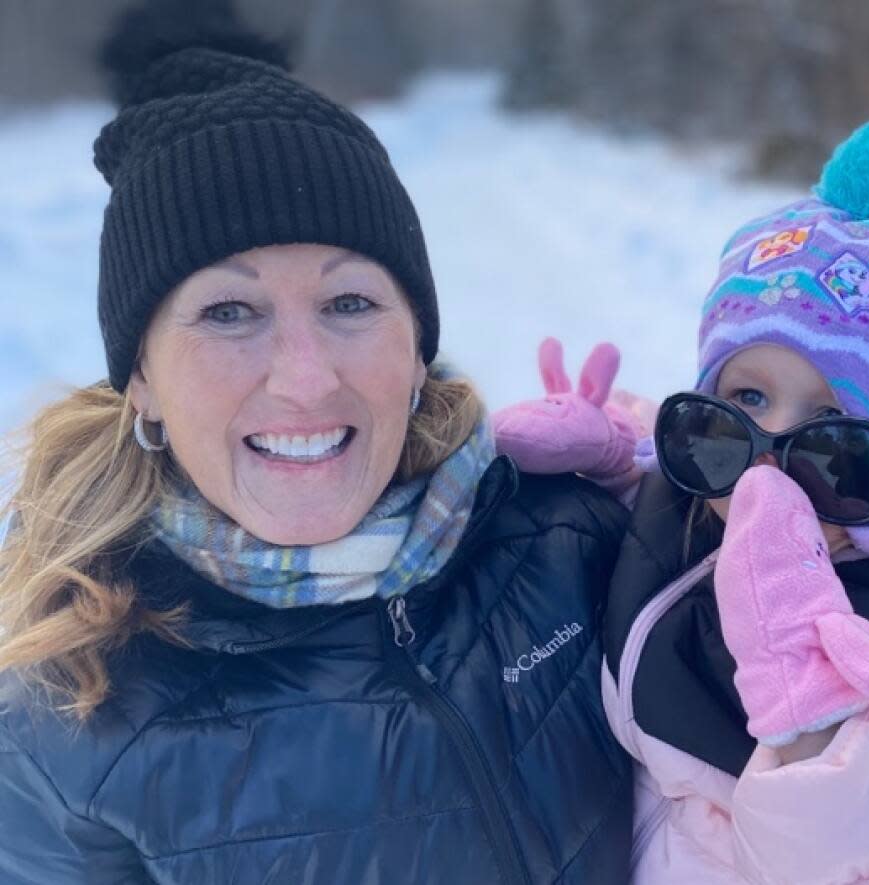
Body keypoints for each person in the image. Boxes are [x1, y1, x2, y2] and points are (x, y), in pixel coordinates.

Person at [0, 6, 633, 883]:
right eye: (229, 311)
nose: (304, 378)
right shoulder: (61, 712)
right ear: (138, 378)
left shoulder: (570, 545)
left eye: (349, 304)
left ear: (416, 351)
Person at [495, 121, 869, 883]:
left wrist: (808, 693)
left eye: (834, 437)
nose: (766, 462)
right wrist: (618, 449)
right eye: (741, 401)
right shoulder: (700, 500)